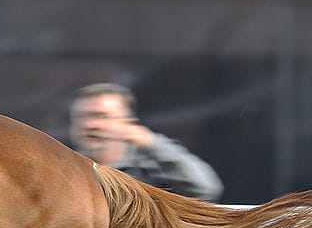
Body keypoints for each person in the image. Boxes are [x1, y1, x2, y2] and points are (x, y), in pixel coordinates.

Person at [69, 83, 223, 201]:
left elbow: (205, 188)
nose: (90, 125)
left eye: (101, 116)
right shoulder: (66, 168)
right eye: (81, 117)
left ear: (127, 123)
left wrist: (152, 143)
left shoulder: (152, 167)